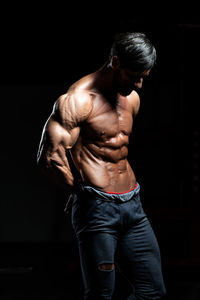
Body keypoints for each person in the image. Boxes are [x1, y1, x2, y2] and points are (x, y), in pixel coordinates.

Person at [37, 31, 166, 299]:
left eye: (143, 77)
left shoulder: (131, 98)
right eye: (134, 76)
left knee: (152, 291)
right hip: (97, 208)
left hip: (133, 205)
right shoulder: (78, 100)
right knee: (100, 295)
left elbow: (117, 151)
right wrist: (80, 192)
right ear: (115, 62)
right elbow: (50, 158)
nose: (139, 84)